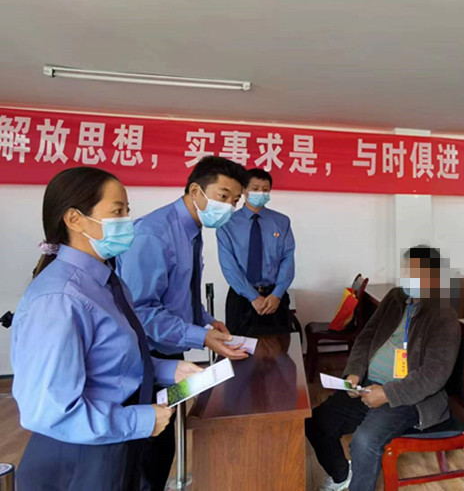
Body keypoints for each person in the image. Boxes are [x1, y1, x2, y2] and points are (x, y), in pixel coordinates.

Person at [12, 167, 200, 490]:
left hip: (111, 444)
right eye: (117, 211)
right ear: (75, 219)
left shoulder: (108, 282)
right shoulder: (59, 298)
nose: (127, 221)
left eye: (127, 210)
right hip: (78, 456)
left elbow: (113, 361)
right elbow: (50, 411)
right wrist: (141, 420)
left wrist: (172, 370)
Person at [116, 155, 250, 490]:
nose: (228, 207)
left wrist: (206, 321)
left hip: (170, 351)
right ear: (195, 191)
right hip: (143, 357)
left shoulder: (192, 230)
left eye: (235, 201)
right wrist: (200, 337)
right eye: (222, 196)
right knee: (147, 448)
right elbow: (140, 312)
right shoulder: (154, 234)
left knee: (164, 437)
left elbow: (179, 294)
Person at [305, 246, 461, 491]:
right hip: (367, 386)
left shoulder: (443, 315)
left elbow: (434, 374)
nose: (409, 276)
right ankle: (342, 476)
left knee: (364, 442)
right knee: (316, 422)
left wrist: (387, 393)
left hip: (408, 398)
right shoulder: (395, 298)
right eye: (407, 270)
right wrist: (354, 373)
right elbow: (366, 337)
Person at [217, 168, 296, 336]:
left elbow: (287, 258)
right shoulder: (227, 223)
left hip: (274, 298)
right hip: (242, 298)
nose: (261, 193)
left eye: (265, 189)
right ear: (244, 190)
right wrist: (253, 297)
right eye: (255, 188)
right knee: (239, 348)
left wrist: (277, 294)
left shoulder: (281, 222)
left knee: (278, 348)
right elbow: (229, 266)